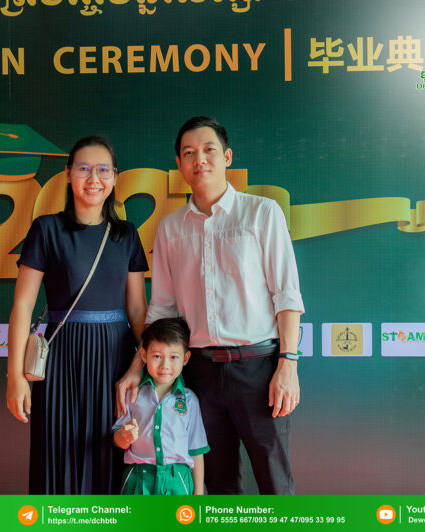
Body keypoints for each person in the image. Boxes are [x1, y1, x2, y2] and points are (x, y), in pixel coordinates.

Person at [117, 117, 304, 495]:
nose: (199, 159)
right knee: (216, 484)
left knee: (274, 481)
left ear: (227, 157)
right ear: (179, 164)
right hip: (200, 374)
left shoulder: (262, 212)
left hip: (259, 369)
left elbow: (287, 296)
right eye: (189, 153)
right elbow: (161, 310)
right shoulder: (170, 228)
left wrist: (288, 364)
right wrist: (137, 367)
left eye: (208, 150)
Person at [7, 136, 148, 494]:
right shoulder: (46, 229)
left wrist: (142, 364)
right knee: (58, 453)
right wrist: (15, 377)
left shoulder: (127, 235)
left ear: (115, 177)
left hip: (115, 360)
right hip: (60, 360)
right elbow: (23, 305)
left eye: (103, 170)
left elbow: (137, 309)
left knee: (112, 452)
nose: (93, 179)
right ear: (68, 174)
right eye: (84, 169)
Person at [113, 318, 209, 495]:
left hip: (177, 479)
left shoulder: (190, 401)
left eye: (173, 357)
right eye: (157, 356)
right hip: (139, 478)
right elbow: (117, 438)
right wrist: (124, 437)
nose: (165, 366)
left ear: (185, 358)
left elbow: (196, 450)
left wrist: (198, 494)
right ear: (144, 355)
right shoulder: (132, 394)